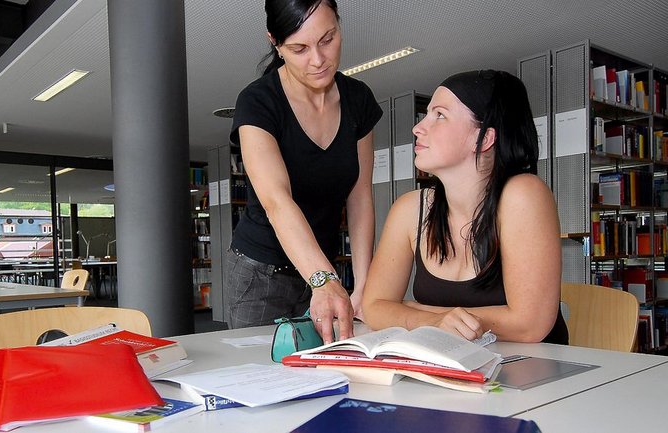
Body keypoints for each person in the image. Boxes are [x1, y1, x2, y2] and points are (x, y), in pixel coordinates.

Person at [362, 70, 568, 344]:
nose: (418, 128)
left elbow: (530, 325)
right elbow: (374, 308)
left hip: (530, 372)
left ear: (483, 139)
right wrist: (435, 321)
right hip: (455, 368)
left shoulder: (524, 194)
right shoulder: (410, 209)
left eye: (440, 115)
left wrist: (414, 310)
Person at [226, 0, 382, 342]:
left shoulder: (359, 100)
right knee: (263, 379)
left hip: (324, 269)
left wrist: (364, 285)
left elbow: (360, 198)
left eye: (327, 39)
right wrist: (324, 280)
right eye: (299, 48)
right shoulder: (258, 102)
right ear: (275, 43)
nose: (318, 59)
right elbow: (276, 201)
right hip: (261, 272)